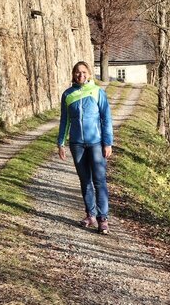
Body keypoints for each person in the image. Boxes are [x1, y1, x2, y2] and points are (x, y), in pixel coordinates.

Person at [57, 60, 113, 234]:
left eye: (84, 72)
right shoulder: (67, 95)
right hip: (77, 144)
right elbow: (64, 120)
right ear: (74, 74)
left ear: (89, 74)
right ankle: (90, 214)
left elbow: (106, 119)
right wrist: (61, 142)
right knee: (85, 181)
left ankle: (103, 219)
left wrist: (107, 142)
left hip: (96, 143)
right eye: (77, 72)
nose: (81, 75)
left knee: (99, 181)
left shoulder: (97, 92)